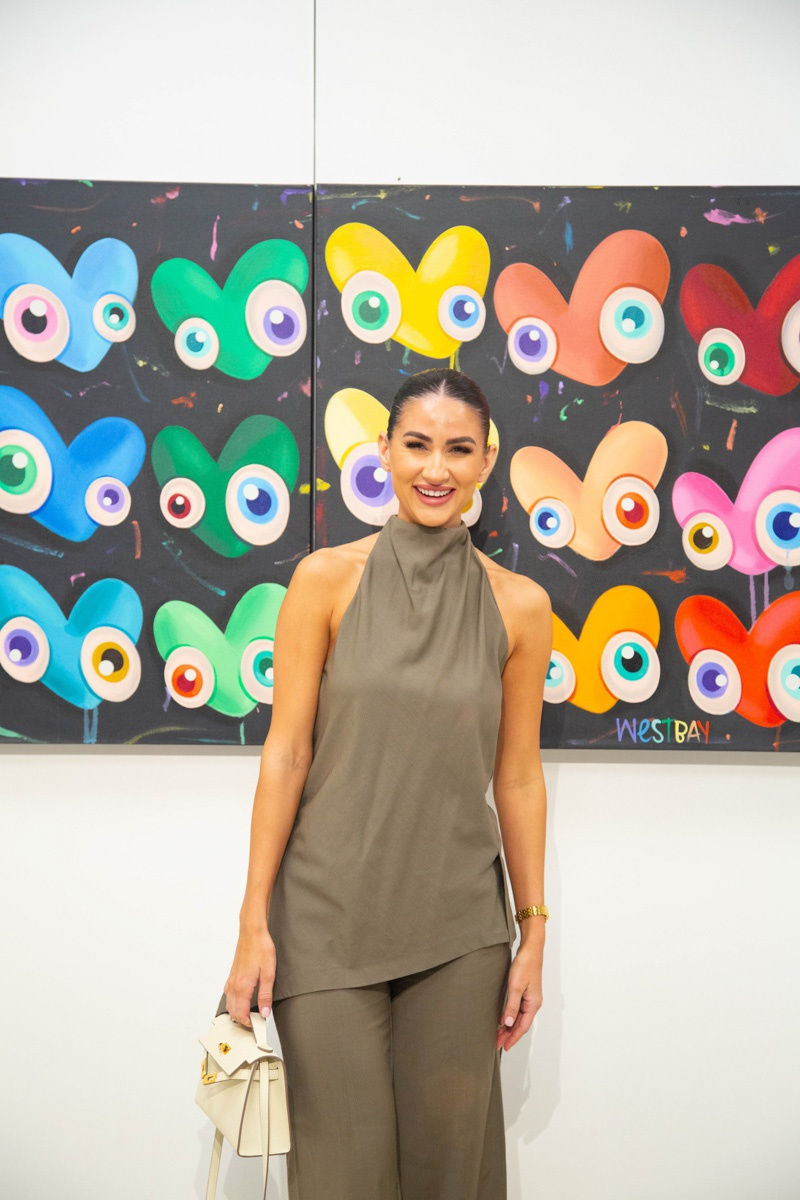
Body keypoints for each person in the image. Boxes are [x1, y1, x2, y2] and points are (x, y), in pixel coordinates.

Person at [223, 367, 551, 1200]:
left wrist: (534, 928)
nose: (434, 468)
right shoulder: (324, 580)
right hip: (326, 922)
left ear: (486, 461)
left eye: (457, 448)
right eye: (416, 445)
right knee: (340, 1178)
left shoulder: (520, 606)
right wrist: (253, 923)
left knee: (450, 1177)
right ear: (384, 452)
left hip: (460, 932)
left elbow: (516, 776)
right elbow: (286, 754)